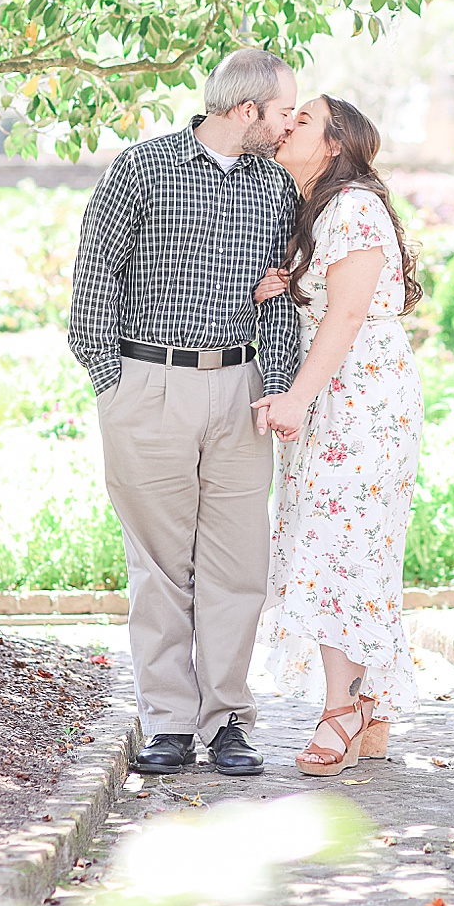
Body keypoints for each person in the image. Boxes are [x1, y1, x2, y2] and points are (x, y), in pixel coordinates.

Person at [68, 49, 300, 775]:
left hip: (239, 387)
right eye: (284, 110)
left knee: (238, 565)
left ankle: (227, 718)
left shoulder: (276, 189)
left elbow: (282, 291)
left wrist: (280, 382)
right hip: (148, 383)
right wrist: (112, 379)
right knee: (161, 566)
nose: (290, 122)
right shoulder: (141, 169)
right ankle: (168, 720)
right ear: (245, 111)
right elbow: (95, 271)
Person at [252, 95, 423, 776]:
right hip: (346, 395)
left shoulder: (351, 206)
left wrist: (295, 396)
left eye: (301, 120)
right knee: (354, 544)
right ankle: (371, 705)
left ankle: (341, 710)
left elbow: (348, 316)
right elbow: (332, 296)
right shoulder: (325, 208)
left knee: (339, 549)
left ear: (333, 143)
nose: (286, 125)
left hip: (358, 400)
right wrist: (287, 285)